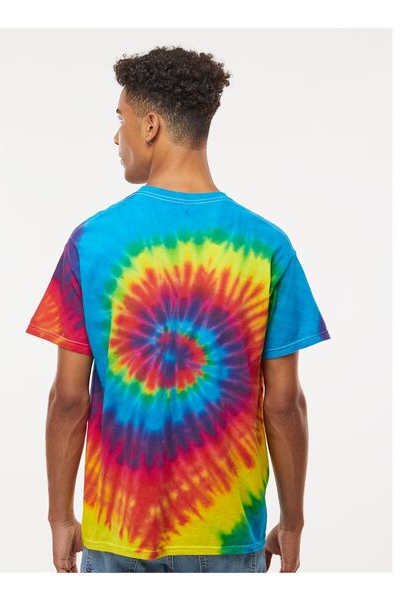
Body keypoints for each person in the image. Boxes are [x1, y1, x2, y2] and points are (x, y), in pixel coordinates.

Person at [25, 45, 331, 573]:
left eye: (120, 119)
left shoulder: (92, 241)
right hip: (228, 535)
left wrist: (59, 515)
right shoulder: (267, 245)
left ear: (150, 126)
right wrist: (293, 520)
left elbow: (69, 400)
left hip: (118, 533)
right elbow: (284, 405)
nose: (116, 137)